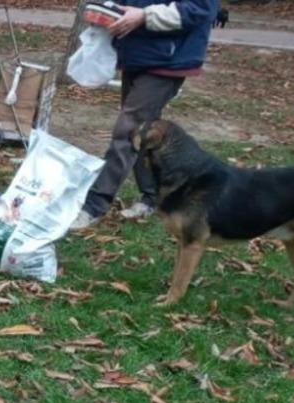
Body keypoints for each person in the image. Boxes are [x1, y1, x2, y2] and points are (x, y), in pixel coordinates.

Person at [69, 0, 217, 231]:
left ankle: (94, 205)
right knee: (142, 131)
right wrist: (108, 10)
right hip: (138, 54)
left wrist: (144, 16)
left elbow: (201, 9)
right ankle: (151, 197)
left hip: (168, 59)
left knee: (128, 130)